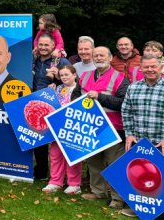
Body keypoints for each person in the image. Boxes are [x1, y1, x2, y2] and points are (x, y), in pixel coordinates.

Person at [74, 46, 130, 208]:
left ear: (111, 58)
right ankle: (98, 191)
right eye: (96, 55)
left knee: (115, 164)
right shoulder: (85, 76)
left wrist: (100, 97)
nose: (98, 58)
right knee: (93, 161)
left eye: (102, 55)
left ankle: (118, 197)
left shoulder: (120, 78)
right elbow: (75, 95)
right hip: (88, 126)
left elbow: (123, 103)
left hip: (112, 128)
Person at [122, 54, 164, 217]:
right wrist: (130, 134)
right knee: (143, 177)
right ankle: (139, 208)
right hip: (141, 141)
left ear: (161, 67)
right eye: (146, 67)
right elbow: (126, 112)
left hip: (160, 141)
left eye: (153, 66)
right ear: (140, 69)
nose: (150, 70)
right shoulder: (133, 88)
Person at [42, 65, 83, 194]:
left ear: (74, 75)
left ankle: (74, 184)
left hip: (73, 127)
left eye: (67, 74)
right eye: (62, 75)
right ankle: (55, 182)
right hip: (58, 126)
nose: (64, 77)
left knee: (72, 155)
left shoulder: (81, 89)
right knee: (55, 154)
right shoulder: (59, 88)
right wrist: (50, 93)